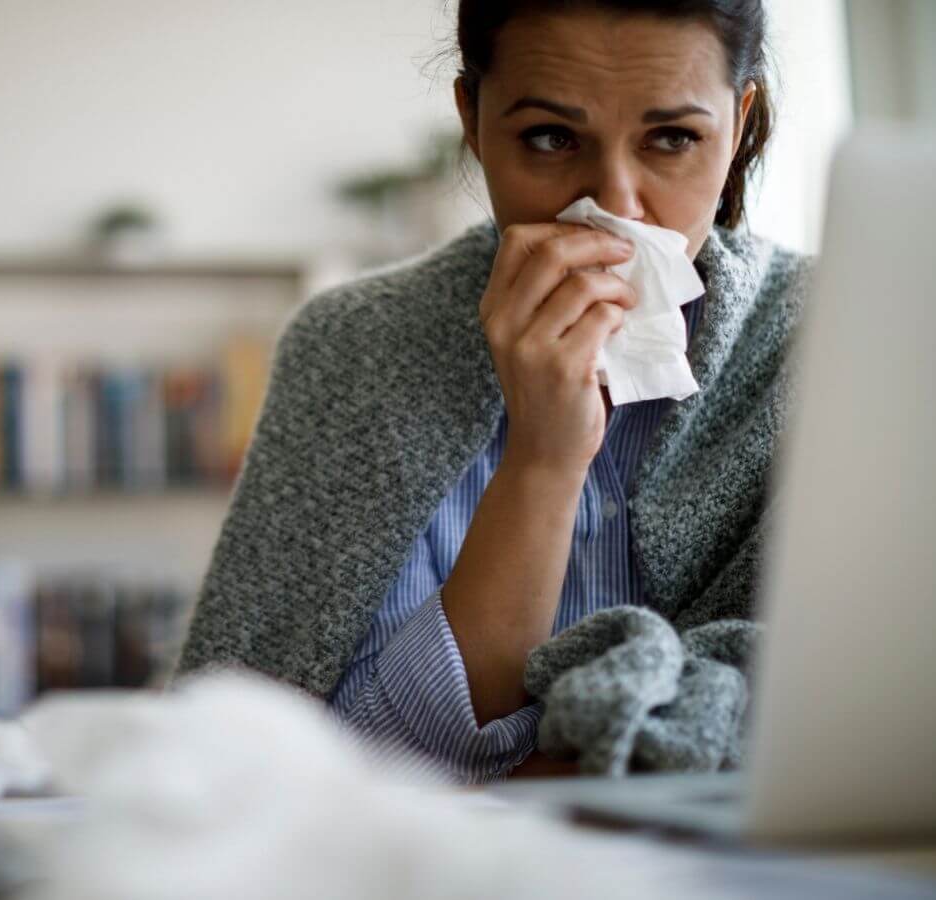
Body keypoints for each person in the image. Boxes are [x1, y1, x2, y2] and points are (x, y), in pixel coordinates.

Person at [175, 0, 814, 783]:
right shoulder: (358, 346)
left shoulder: (828, 340)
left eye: (673, 139)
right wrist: (545, 459)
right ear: (472, 120)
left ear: (739, 122)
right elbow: (314, 766)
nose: (616, 206)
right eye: (550, 138)